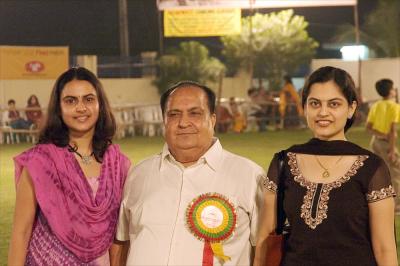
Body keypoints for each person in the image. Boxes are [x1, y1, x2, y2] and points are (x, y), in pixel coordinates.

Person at [254, 66, 398, 266]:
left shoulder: (371, 167)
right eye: (314, 103)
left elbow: (385, 248)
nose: (323, 112)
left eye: (334, 104)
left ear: (351, 108)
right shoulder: (283, 163)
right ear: (305, 107)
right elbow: (264, 238)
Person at [113, 81, 266, 265]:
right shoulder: (139, 174)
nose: (183, 123)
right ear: (164, 121)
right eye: (174, 114)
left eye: (195, 113)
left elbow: (265, 248)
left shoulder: (249, 176)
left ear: (213, 119)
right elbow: (122, 242)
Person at [8, 67, 131, 265]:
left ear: (100, 104)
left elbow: (119, 237)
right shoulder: (40, 162)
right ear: (59, 107)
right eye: (70, 101)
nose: (81, 108)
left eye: (89, 99)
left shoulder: (118, 165)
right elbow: (21, 232)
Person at [366, 78, 400, 214]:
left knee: (379, 173)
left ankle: (377, 201)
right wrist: (392, 150)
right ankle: (397, 206)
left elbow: (368, 128)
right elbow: (392, 130)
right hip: (386, 145)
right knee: (396, 173)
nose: (394, 91)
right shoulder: (394, 106)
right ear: (390, 91)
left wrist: (380, 134)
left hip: (375, 143)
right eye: (393, 88)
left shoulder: (376, 105)